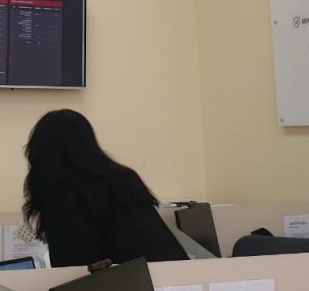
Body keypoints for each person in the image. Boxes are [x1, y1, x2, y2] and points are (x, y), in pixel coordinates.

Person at [22, 109, 187, 268]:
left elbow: (70, 267)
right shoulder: (122, 176)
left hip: (134, 281)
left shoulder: (63, 191)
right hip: (181, 275)